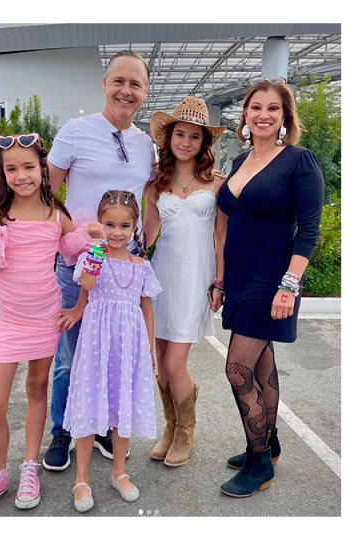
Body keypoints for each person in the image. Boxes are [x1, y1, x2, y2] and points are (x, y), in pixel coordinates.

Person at [0, 134, 92, 515]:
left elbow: (83, 258)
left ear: (43, 168)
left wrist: (81, 302)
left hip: (45, 317)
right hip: (8, 323)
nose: (21, 175)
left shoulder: (54, 214)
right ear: (2, 172)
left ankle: (30, 466)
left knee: (36, 387)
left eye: (29, 166)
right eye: (11, 168)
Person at [42, 50, 156, 472]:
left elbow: (152, 200)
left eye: (136, 84)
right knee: (70, 355)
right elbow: (44, 194)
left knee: (113, 352)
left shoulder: (146, 144)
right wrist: (72, 237)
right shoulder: (76, 131)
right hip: (78, 267)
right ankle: (63, 430)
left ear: (145, 91)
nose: (127, 91)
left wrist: (141, 246)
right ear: (105, 84)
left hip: (124, 270)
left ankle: (106, 427)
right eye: (119, 81)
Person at [214, 79, 324, 497]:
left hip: (272, 280)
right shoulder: (241, 159)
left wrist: (289, 285)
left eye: (273, 108)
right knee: (261, 365)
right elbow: (226, 224)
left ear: (284, 117)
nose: (262, 114)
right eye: (255, 107)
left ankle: (259, 461)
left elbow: (309, 231)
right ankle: (267, 440)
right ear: (245, 115)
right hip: (240, 279)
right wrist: (221, 280)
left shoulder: (298, 160)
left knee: (237, 368)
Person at [62, 190, 161, 512]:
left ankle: (119, 472)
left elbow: (146, 308)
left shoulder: (142, 266)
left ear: (135, 227)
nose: (116, 232)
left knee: (121, 407)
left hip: (129, 347)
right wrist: (97, 244)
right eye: (109, 224)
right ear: (99, 223)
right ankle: (81, 478)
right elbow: (87, 285)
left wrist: (148, 348)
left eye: (124, 226)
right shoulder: (94, 257)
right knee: (91, 406)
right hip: (96, 345)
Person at [142, 96, 226, 467]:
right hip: (161, 278)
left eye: (195, 136)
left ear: (204, 142)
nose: (186, 142)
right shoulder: (155, 184)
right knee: (161, 364)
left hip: (196, 278)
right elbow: (146, 236)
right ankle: (170, 427)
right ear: (169, 137)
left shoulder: (218, 184)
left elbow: (221, 238)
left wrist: (220, 281)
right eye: (180, 134)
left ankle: (186, 432)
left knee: (175, 364)